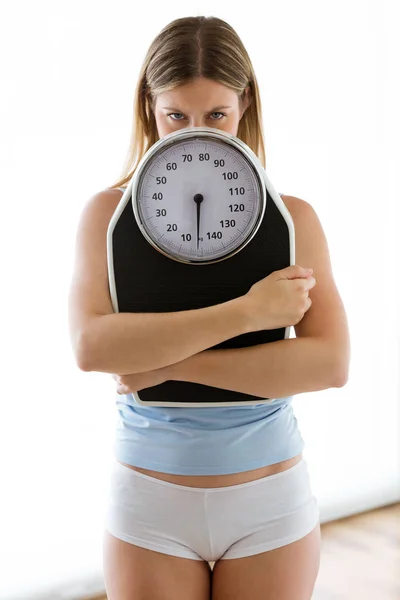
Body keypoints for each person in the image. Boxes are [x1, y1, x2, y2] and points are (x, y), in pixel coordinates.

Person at [68, 15, 350, 600]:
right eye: (177, 116)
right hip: (150, 505)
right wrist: (248, 314)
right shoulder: (107, 217)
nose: (195, 133)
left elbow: (330, 365)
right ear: (150, 107)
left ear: (244, 106)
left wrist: (163, 364)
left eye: (216, 115)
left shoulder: (292, 219)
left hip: (269, 506)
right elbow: (92, 348)